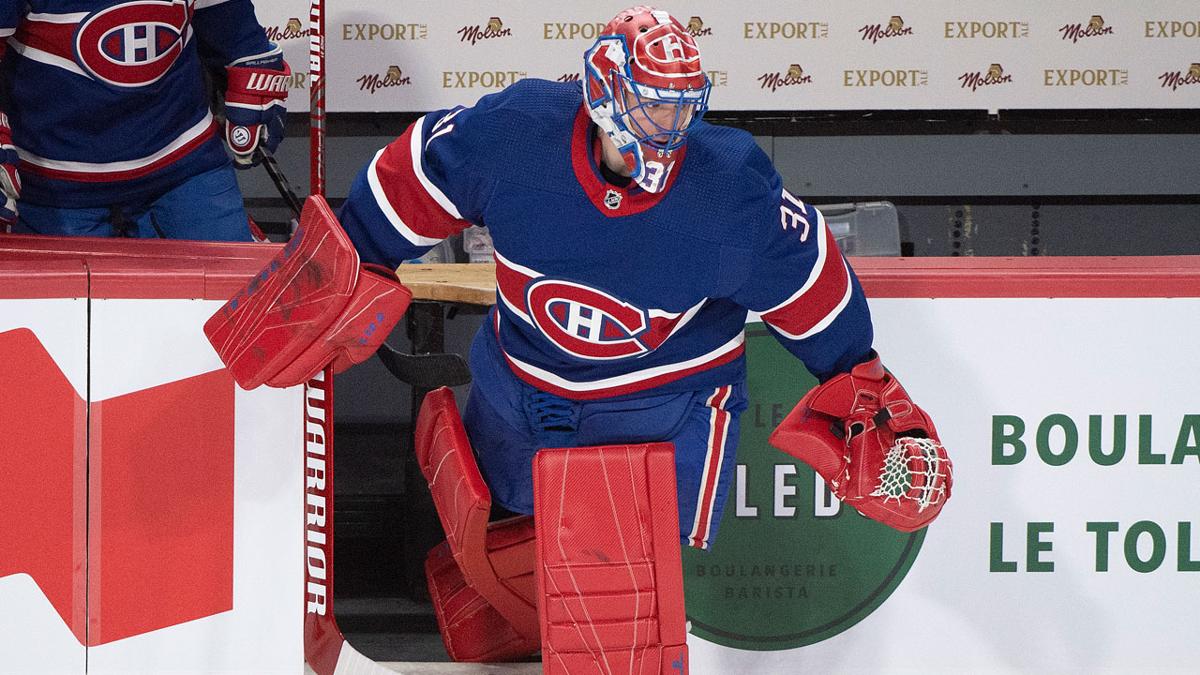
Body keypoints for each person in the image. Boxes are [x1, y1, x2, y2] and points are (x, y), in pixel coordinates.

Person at [204, 6, 952, 672]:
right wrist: (342, 266)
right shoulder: (517, 133)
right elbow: (413, 176)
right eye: (654, 107)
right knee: (489, 550)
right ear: (603, 94)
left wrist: (863, 389)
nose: (670, 127)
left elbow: (817, 291)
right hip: (525, 387)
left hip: (656, 409)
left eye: (681, 108)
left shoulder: (729, 191)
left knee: (615, 615)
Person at [0, 0, 289, 240]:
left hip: (186, 169)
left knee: (234, 303)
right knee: (49, 309)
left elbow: (230, 26)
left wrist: (249, 60)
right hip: (51, 188)